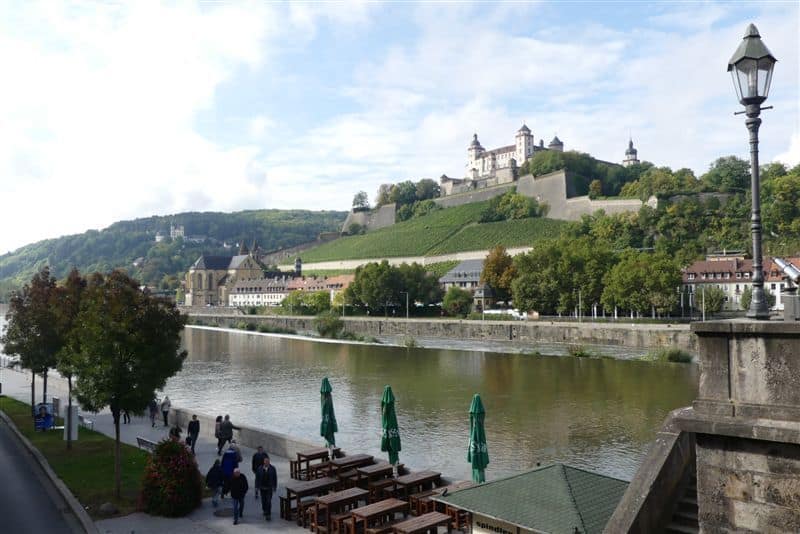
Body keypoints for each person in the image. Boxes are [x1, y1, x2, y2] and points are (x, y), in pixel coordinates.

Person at [255, 455, 277, 521]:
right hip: (262, 488)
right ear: (263, 462)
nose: (267, 462)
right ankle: (264, 510)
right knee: (263, 501)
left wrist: (274, 487)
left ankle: (268, 514)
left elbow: (275, 478)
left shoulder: (273, 468)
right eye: (265, 461)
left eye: (268, 461)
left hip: (269, 488)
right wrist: (256, 487)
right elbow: (257, 479)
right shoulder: (259, 468)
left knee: (268, 501)